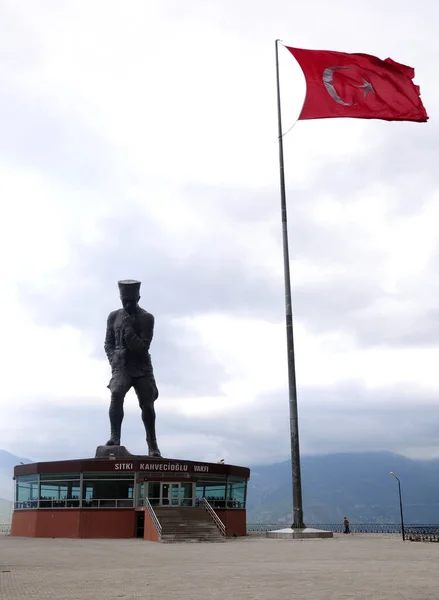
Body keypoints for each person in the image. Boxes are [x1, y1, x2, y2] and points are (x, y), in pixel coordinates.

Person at [104, 279, 161, 457]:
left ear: (138, 298)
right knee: (116, 393)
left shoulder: (147, 318)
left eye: (131, 300)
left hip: (142, 367)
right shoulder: (113, 317)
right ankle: (115, 437)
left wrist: (128, 328)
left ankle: (152, 444)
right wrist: (114, 360)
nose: (128, 304)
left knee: (147, 405)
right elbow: (108, 343)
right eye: (125, 300)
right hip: (121, 366)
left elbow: (142, 347)